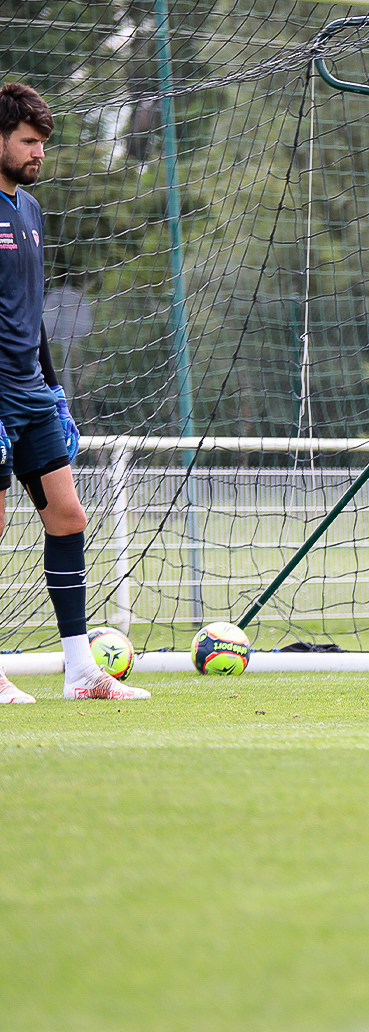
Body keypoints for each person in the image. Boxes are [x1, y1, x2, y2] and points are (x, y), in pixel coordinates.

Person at [0, 83, 148, 703]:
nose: (40, 153)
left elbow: (29, 315)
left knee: (68, 514)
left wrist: (54, 390)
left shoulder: (29, 210)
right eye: (29, 141)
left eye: (43, 143)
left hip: (31, 393)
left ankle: (79, 669)